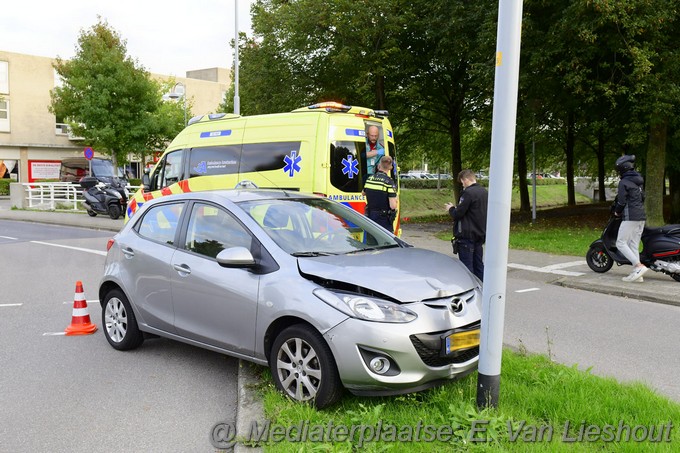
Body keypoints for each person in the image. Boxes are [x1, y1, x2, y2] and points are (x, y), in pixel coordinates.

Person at [445, 169, 488, 281]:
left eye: (462, 182)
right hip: (480, 234)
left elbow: (458, 213)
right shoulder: (484, 191)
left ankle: (471, 291)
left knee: (467, 268)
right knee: (479, 265)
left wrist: (451, 209)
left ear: (466, 179)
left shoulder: (468, 193)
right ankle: (482, 289)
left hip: (467, 236)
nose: (462, 185)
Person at [613, 154, 647, 283]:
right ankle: (637, 274)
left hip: (630, 216)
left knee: (620, 243)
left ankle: (638, 267)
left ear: (622, 169)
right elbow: (642, 197)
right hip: (641, 216)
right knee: (633, 244)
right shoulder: (638, 180)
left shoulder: (624, 182)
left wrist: (617, 212)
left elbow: (621, 201)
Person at [363, 155, 397, 232]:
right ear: (390, 167)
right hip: (383, 219)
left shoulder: (370, 179)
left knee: (371, 240)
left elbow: (363, 193)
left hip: (370, 215)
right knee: (386, 242)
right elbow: (393, 206)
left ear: (379, 166)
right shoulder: (389, 182)